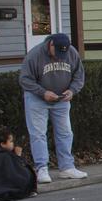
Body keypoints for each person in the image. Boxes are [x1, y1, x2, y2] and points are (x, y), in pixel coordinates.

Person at [19, 32, 87, 183]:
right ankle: (41, 168)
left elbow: (79, 75)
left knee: (65, 133)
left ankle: (67, 167)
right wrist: (43, 93)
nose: (60, 56)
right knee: (38, 133)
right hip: (37, 99)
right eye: (57, 52)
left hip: (62, 99)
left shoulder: (71, 53)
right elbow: (25, 80)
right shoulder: (34, 55)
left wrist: (72, 90)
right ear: (50, 45)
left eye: (64, 52)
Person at [0, 126, 37, 201]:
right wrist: (18, 157)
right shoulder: (5, 157)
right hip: (11, 190)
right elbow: (18, 173)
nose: (13, 143)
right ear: (3, 144)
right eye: (11, 141)